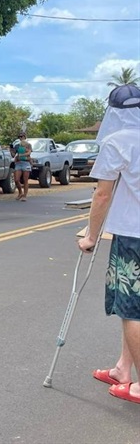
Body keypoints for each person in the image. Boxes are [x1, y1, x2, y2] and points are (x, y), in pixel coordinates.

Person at [78, 84, 140, 405]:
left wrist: (90, 236)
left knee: (132, 309)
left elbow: (102, 194)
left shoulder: (118, 142)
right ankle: (122, 369)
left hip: (133, 235)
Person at [12, 132, 32, 201]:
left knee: (25, 180)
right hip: (19, 163)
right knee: (16, 180)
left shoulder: (28, 145)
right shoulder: (17, 145)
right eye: (19, 137)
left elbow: (29, 152)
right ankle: (20, 192)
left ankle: (25, 195)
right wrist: (11, 150)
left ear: (25, 137)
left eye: (22, 136)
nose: (21, 138)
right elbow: (13, 154)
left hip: (26, 163)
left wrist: (21, 155)